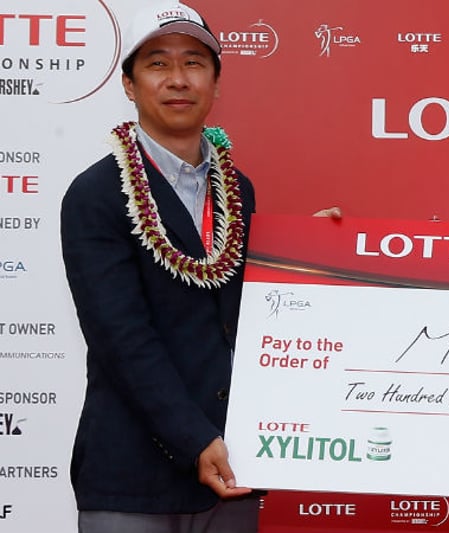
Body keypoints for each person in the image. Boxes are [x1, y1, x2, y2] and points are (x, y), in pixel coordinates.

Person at [60, 3, 258, 532]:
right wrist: (196, 440)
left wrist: (314, 252)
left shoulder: (238, 191)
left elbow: (245, 313)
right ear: (129, 84)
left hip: (234, 471)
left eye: (194, 62)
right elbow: (121, 339)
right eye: (156, 64)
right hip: (133, 477)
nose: (178, 80)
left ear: (216, 82)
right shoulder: (96, 194)